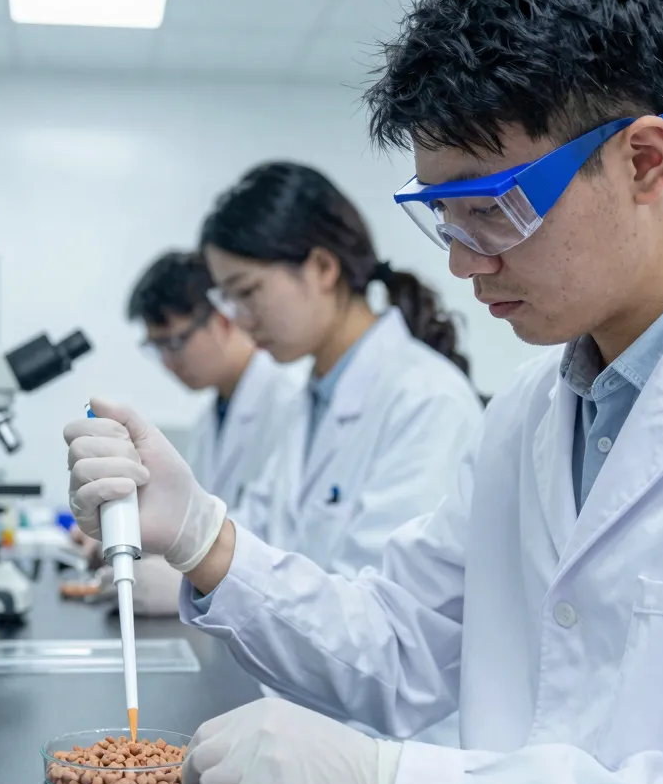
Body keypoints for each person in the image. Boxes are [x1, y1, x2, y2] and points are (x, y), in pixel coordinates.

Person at [63, 0, 663, 784]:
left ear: (643, 161)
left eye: (493, 208)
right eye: (444, 216)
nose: (462, 261)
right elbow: (397, 646)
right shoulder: (532, 413)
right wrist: (204, 540)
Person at [199, 160, 482, 577]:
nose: (240, 319)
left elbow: (387, 595)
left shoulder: (427, 401)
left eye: (247, 292)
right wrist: (179, 550)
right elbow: (253, 535)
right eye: (228, 300)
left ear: (322, 268)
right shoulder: (308, 400)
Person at [77, 250, 302, 615]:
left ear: (223, 319)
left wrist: (191, 581)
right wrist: (129, 536)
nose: (169, 362)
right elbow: (193, 517)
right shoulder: (210, 419)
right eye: (157, 347)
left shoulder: (289, 404)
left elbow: (276, 537)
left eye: (176, 343)